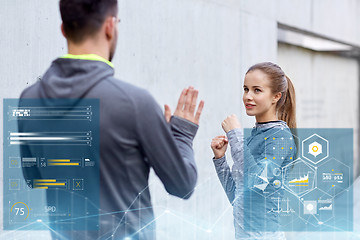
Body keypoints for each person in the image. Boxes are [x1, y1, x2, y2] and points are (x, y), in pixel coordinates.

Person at [19, 0, 204, 239]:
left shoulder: (29, 99)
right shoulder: (135, 103)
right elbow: (183, 185)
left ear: (63, 29)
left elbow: (33, 179)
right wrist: (180, 134)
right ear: (109, 26)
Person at [211, 62, 297, 239]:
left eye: (257, 90)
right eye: (245, 89)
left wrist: (235, 135)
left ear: (276, 96)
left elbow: (257, 182)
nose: (247, 96)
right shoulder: (253, 137)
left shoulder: (280, 136)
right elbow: (239, 198)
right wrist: (220, 160)